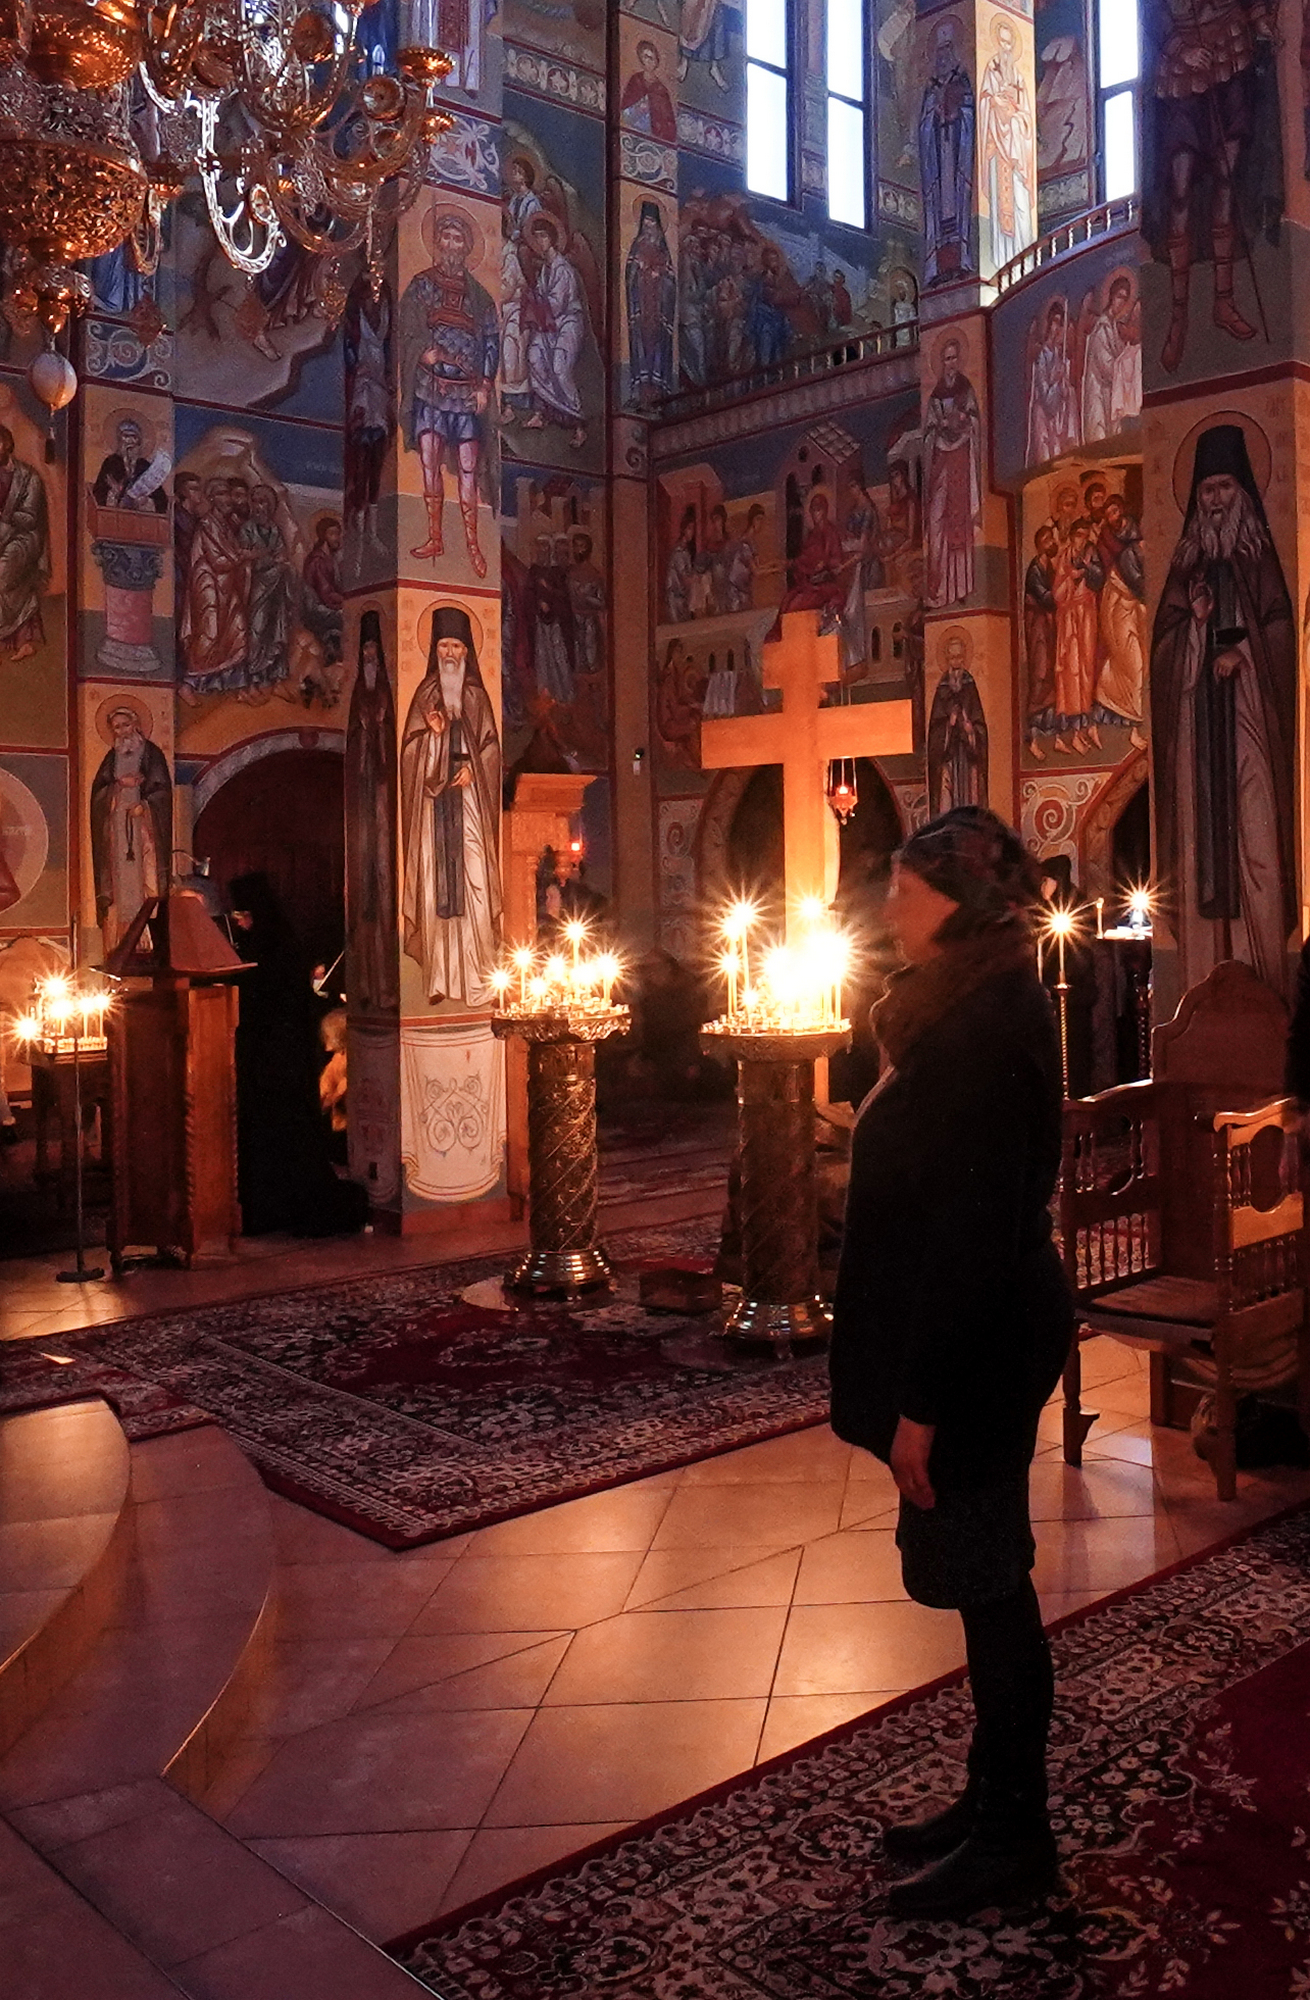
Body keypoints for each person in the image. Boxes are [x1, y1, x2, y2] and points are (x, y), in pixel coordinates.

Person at [829, 806, 1073, 1920]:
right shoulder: (960, 1000)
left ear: (954, 901)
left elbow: (969, 1240)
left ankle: (1013, 1834)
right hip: (978, 1333)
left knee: (989, 1583)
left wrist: (919, 1405)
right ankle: (989, 1800)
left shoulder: (977, 1026)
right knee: (986, 1581)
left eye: (902, 886)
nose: (885, 903)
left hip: (973, 1347)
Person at [228, 872, 367, 1237]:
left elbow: (273, 998)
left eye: (243, 914)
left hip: (280, 1059)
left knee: (282, 1132)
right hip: (269, 1057)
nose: (240, 922)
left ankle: (278, 1207)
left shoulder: (274, 945)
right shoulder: (260, 942)